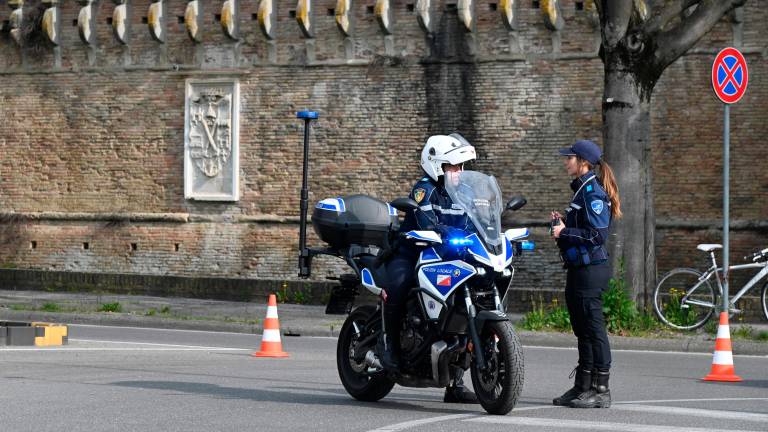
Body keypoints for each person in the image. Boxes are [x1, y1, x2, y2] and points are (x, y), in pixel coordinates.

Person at [381, 133, 478, 404]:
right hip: (413, 252)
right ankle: (389, 347)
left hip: (450, 255)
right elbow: (426, 222)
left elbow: (475, 222)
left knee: (463, 310)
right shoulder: (425, 189)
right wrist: (446, 232)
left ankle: (456, 382)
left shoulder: (465, 192)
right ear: (437, 165)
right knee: (399, 286)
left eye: (460, 167)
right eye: (453, 167)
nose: (458, 172)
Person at [550, 139, 622, 409]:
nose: (565, 161)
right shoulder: (581, 190)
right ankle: (582, 386)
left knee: (594, 330)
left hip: (591, 272)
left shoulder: (592, 193)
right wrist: (564, 225)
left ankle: (600, 390)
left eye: (569, 158)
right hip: (579, 271)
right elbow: (583, 230)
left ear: (583, 162)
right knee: (582, 331)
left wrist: (564, 231)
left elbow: (597, 236)